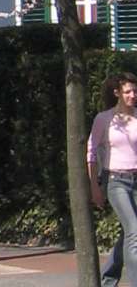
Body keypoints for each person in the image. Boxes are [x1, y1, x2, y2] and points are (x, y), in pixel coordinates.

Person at [89, 73, 137, 286]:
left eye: (135, 91)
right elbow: (91, 152)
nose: (133, 95)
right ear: (117, 93)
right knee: (135, 232)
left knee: (130, 232)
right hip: (116, 181)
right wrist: (94, 187)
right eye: (127, 92)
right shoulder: (104, 119)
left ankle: (109, 279)